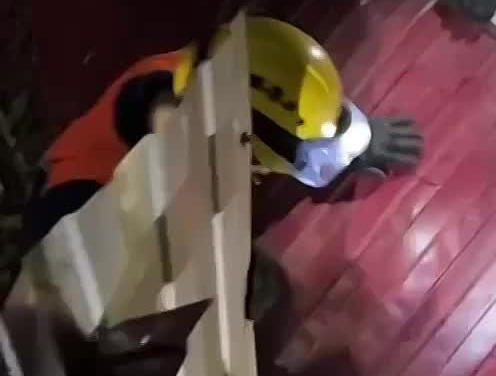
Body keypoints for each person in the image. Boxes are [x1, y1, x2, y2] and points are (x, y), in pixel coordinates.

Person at [24, 16, 423, 246]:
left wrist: (353, 142)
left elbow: (287, 95)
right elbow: (156, 111)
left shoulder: (229, 71)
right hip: (72, 212)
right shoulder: (157, 103)